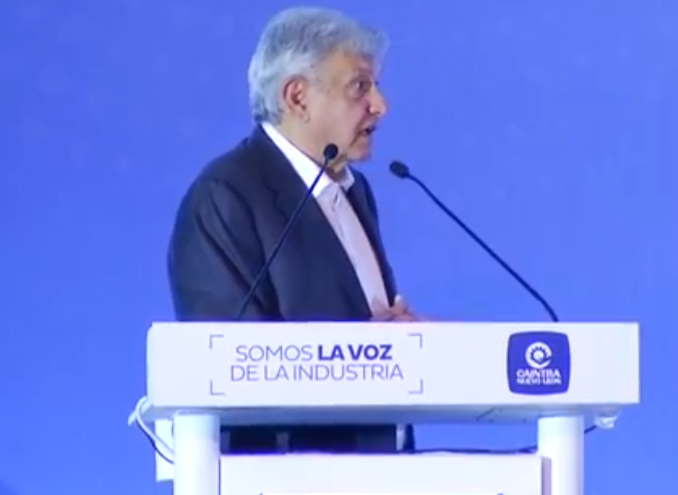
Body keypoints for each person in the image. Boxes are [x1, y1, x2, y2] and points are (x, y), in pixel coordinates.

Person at [167, 6, 417, 454]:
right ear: (297, 97)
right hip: (287, 472)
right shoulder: (226, 196)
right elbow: (230, 365)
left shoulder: (353, 190)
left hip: (385, 469)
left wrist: (404, 340)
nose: (381, 105)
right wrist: (367, 352)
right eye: (360, 86)